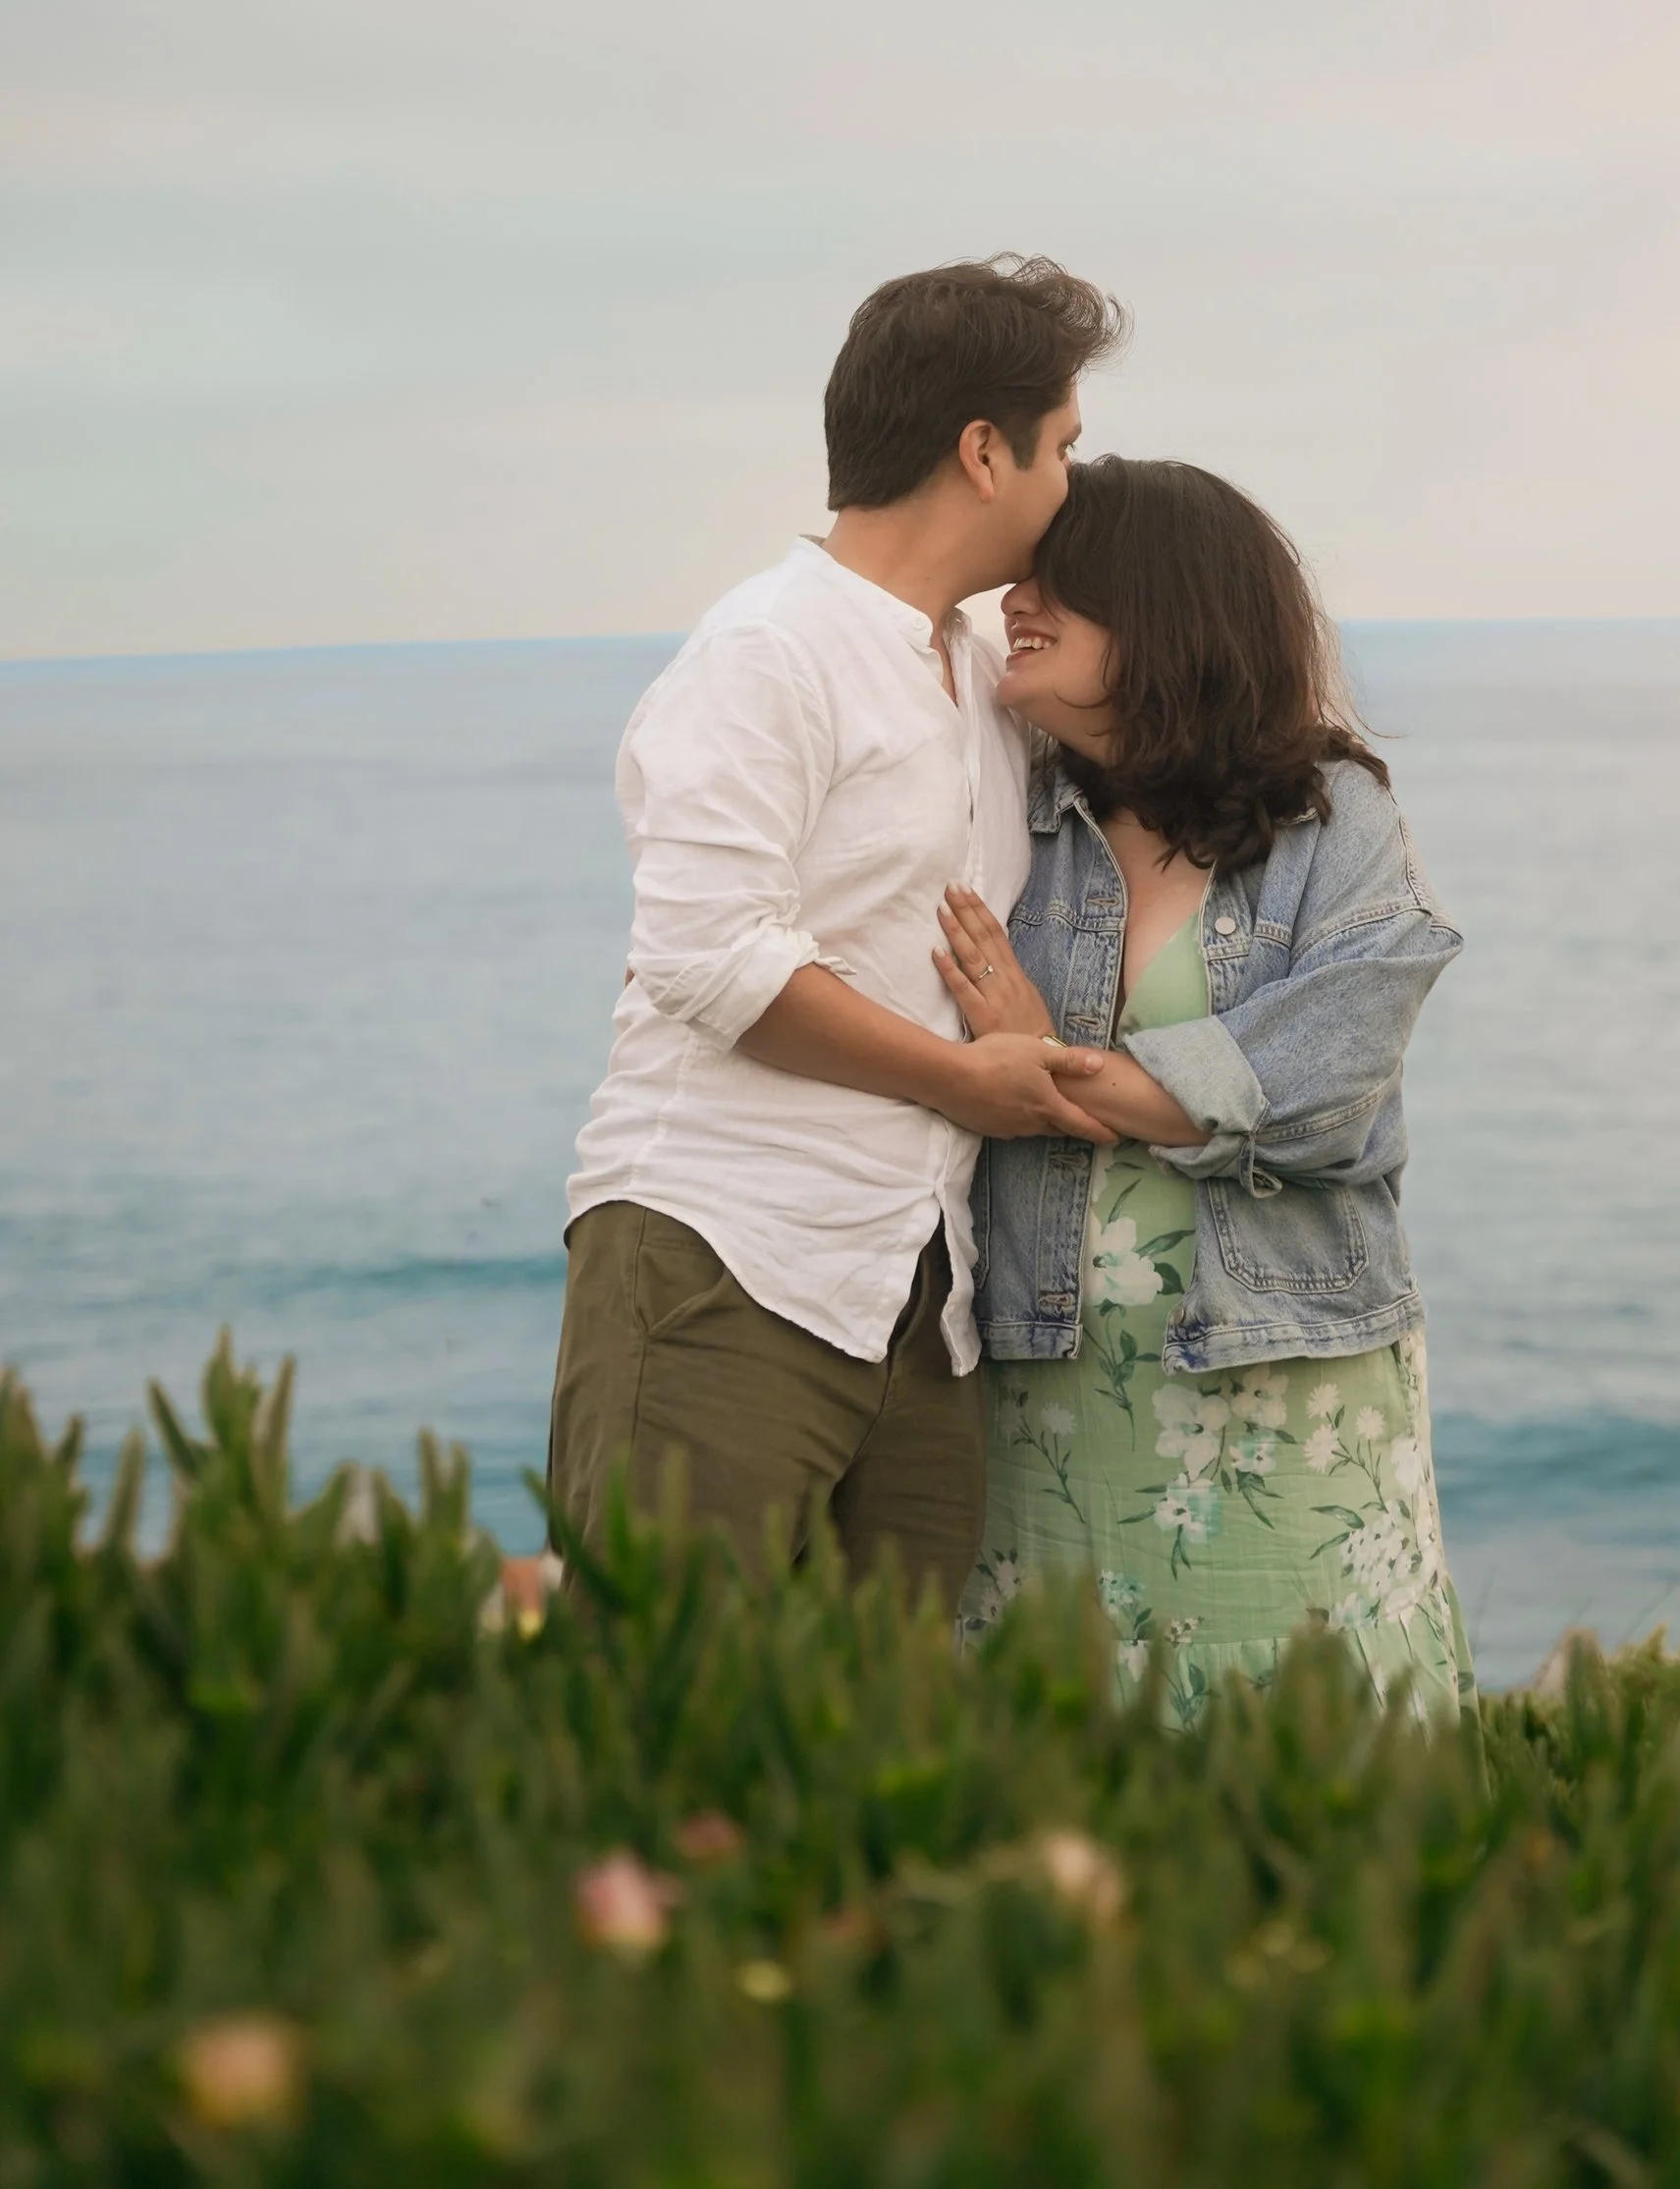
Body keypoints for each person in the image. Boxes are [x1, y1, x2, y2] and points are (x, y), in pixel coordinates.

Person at [546, 254, 1126, 1606]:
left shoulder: (983, 678)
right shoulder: (769, 649)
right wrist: (965, 1078)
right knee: (659, 1715)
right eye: (1064, 451)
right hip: (725, 1253)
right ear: (986, 451)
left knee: (876, 1754)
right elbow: (706, 957)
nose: (1070, 490)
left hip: (918, 1291)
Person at [938, 456, 1474, 1722]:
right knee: (1065, 1778)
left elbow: (1329, 1085)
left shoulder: (1332, 820)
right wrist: (1120, 1086)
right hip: (1042, 1383)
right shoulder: (1006, 812)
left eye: (1062, 579)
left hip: (1287, 1383)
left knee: (1313, 1768)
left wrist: (1043, 1067)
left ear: (1169, 606)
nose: (1016, 593)